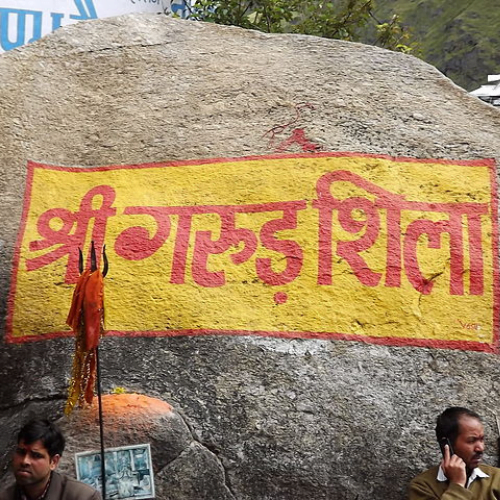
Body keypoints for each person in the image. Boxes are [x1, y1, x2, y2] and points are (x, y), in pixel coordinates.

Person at [409, 407, 500, 500]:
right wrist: (457, 485)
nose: (481, 448)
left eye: (482, 439)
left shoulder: (496, 478)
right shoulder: (423, 486)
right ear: (447, 444)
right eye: (471, 440)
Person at [0, 419, 101, 500]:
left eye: (36, 455)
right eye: (21, 452)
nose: (25, 461)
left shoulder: (84, 497)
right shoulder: (5, 496)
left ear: (53, 461)